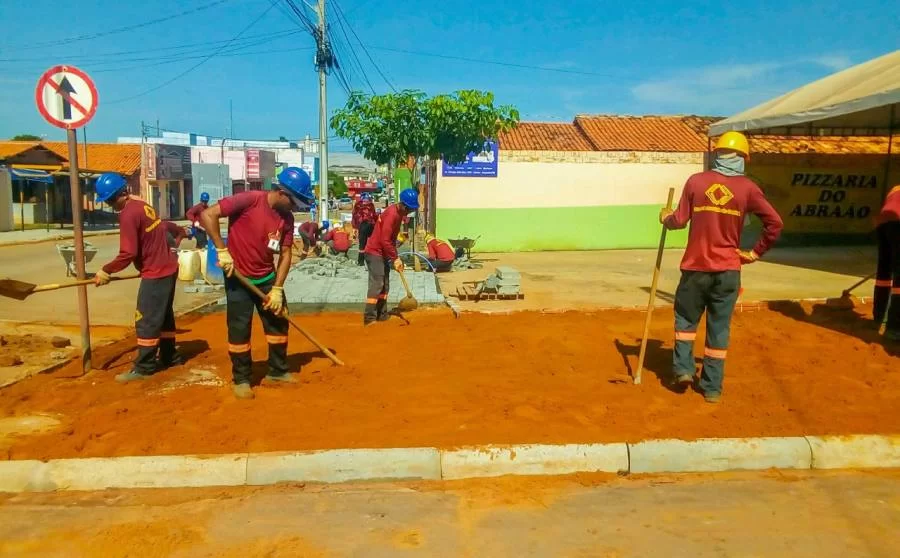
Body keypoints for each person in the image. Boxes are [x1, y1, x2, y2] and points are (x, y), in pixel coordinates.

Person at [660, 131, 783, 403]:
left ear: (716, 154)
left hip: (695, 267)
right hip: (728, 270)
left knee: (685, 321)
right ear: (743, 158)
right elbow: (775, 224)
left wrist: (665, 218)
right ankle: (712, 387)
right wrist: (754, 253)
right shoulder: (748, 188)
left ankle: (683, 370)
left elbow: (679, 221)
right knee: (719, 328)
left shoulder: (696, 182)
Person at [200, 166, 314, 400]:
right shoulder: (249, 200)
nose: (294, 208)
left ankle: (278, 371)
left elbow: (285, 254)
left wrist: (278, 288)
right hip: (238, 277)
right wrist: (222, 250)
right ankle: (241, 379)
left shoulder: (287, 219)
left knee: (279, 322)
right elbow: (207, 215)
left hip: (266, 277)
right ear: (282, 193)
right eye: (294, 202)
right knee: (240, 328)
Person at [93, 173, 181, 383]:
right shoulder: (141, 206)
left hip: (157, 272)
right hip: (167, 267)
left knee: (146, 319)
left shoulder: (128, 214)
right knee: (164, 316)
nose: (109, 204)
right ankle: (170, 357)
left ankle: (144, 367)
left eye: (109, 200)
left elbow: (128, 253)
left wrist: (106, 270)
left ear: (118, 196)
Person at [362, 188, 418, 325]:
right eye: (409, 209)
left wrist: (395, 251)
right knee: (377, 283)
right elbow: (384, 240)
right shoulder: (392, 214)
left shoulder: (399, 215)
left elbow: (391, 239)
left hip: (383, 253)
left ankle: (382, 313)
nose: (410, 212)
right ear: (403, 205)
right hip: (375, 252)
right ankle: (369, 317)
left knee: (385, 285)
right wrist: (395, 258)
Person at [874, 184, 900, 341]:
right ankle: (895, 327)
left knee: (884, 271)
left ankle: (879, 315)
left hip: (883, 223)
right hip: (898, 222)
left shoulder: (896, 187)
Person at [352, 193, 377, 266]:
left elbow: (354, 216)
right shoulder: (371, 205)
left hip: (362, 225)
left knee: (362, 245)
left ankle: (360, 262)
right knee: (372, 243)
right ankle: (371, 260)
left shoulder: (357, 205)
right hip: (370, 225)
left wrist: (355, 227)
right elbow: (374, 215)